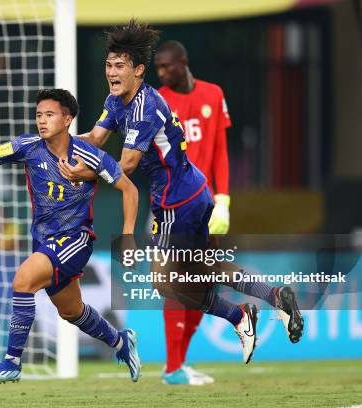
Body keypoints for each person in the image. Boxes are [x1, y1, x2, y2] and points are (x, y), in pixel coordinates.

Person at [58, 19, 303, 373]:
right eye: (108, 65)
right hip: (189, 191)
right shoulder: (117, 100)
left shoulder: (144, 108)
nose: (111, 71)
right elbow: (95, 138)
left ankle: (240, 314)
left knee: (166, 281)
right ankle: (269, 299)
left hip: (179, 201)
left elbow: (125, 164)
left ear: (138, 70)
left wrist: (79, 173)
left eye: (119, 66)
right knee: (198, 270)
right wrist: (58, 143)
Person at [0, 89, 142, 383]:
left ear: (67, 119)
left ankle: (11, 362)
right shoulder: (28, 147)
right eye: (38, 115)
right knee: (71, 311)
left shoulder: (92, 156)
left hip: (76, 239)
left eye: (49, 114)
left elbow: (130, 190)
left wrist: (128, 236)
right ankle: (121, 342)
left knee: (23, 280)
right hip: (45, 241)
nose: (42, 121)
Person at [152, 40, 232, 385]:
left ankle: (179, 365)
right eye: (157, 68)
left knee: (204, 283)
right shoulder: (157, 100)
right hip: (173, 205)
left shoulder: (214, 94)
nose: (161, 73)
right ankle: (172, 367)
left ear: (183, 63)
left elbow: (219, 151)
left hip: (208, 205)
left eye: (166, 67)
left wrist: (225, 198)